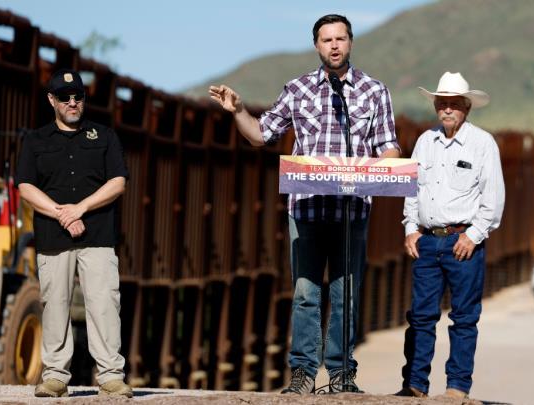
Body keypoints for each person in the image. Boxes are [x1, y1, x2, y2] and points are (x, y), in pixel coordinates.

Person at [210, 14, 400, 394]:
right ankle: (302, 373)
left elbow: (389, 148)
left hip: (352, 212)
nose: (334, 45)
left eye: (341, 38)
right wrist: (238, 111)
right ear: (316, 45)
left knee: (346, 294)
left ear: (350, 42)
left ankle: (342, 374)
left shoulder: (373, 91)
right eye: (326, 39)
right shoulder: (297, 90)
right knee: (306, 294)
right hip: (307, 211)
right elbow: (261, 134)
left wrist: (386, 168)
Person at [16, 68, 132, 398]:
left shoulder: (105, 136)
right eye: (64, 97)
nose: (72, 102)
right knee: (55, 303)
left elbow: (118, 183)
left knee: (105, 303)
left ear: (84, 99)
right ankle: (54, 376)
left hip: (98, 236)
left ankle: (111, 375)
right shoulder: (36, 141)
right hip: (53, 239)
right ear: (51, 100)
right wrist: (61, 215)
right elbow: (25, 186)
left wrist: (79, 209)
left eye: (77, 97)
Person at [398, 72, 505, 399]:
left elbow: (493, 198)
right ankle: (415, 384)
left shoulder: (482, 143)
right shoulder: (424, 141)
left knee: (464, 318)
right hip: (428, 242)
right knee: (420, 316)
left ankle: (457, 387)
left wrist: (473, 235)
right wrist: (410, 228)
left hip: (463, 243)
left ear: (466, 108)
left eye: (454, 105)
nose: (446, 110)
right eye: (441, 104)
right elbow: (412, 189)